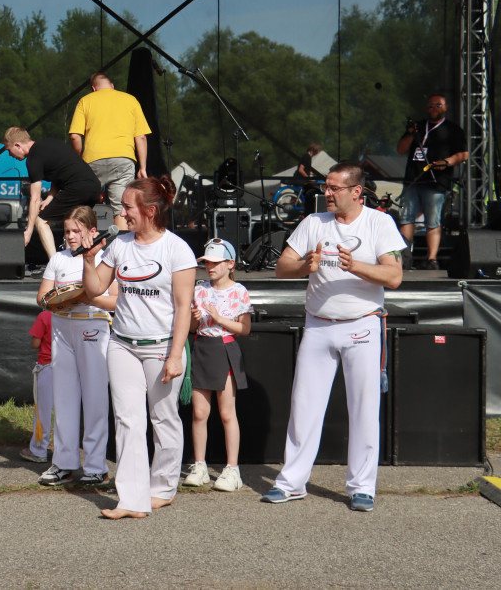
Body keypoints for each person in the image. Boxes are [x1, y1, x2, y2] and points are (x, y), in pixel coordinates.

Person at [261, 162, 405, 512]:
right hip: (318, 325)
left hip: (363, 325)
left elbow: (394, 276)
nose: (326, 193)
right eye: (325, 187)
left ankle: (362, 488)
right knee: (304, 407)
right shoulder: (313, 223)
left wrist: (354, 265)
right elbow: (282, 267)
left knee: (364, 408)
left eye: (334, 188)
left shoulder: (379, 222)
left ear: (356, 192)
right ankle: (292, 482)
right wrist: (303, 268)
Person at [80, 176, 196, 519]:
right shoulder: (119, 245)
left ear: (149, 211)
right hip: (122, 344)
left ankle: (162, 489)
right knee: (128, 420)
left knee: (163, 418)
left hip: (162, 347)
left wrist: (176, 355)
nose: (122, 212)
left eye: (128, 207)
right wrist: (89, 260)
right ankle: (131, 500)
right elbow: (95, 288)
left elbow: (183, 307)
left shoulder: (177, 250)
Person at [35, 206, 118, 487]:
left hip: (92, 325)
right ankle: (64, 463)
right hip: (61, 327)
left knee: (95, 398)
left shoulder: (107, 257)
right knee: (64, 396)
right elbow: (42, 297)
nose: (70, 236)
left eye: (76, 231)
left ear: (92, 231)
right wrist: (61, 299)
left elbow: (116, 300)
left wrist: (86, 298)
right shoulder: (58, 258)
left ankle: (96, 466)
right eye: (67, 230)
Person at [184, 239, 253, 492]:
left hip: (224, 349)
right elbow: (193, 328)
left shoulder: (239, 291)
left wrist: (218, 318)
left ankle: (232, 469)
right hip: (202, 347)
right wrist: (194, 320)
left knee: (226, 413)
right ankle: (200, 465)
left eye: (215, 262)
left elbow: (245, 329)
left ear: (230, 264)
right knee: (199, 413)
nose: (209, 267)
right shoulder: (199, 289)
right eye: (206, 263)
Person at [68, 72, 151, 231]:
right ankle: (120, 254)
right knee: (121, 210)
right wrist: (142, 168)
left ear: (93, 88)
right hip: (123, 160)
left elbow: (74, 137)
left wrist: (78, 160)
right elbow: (141, 137)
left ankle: (79, 251)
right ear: (112, 86)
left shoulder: (85, 101)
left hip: (92, 160)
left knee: (83, 209)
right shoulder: (130, 100)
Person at [3, 126, 101, 260]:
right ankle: (76, 262)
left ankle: (55, 263)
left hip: (77, 188)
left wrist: (29, 231)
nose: (10, 155)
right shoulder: (50, 143)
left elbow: (35, 199)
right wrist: (50, 197)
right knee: (72, 223)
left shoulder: (33, 159)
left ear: (18, 145)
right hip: (94, 187)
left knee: (41, 220)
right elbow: (60, 172)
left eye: (9, 150)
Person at [396, 94, 468, 269]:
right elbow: (401, 149)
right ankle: (405, 257)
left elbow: (463, 155)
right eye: (430, 106)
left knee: (432, 220)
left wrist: (447, 162)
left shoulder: (452, 129)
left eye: (438, 105)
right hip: (414, 179)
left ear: (445, 107)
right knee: (407, 218)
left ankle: (432, 259)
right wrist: (411, 134)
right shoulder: (418, 127)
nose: (434, 109)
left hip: (436, 182)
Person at [19, 309, 54, 464]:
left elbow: (35, 343)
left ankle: (38, 450)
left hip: (47, 366)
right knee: (66, 413)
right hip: (69, 368)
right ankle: (64, 452)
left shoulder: (45, 315)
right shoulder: (71, 313)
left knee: (43, 412)